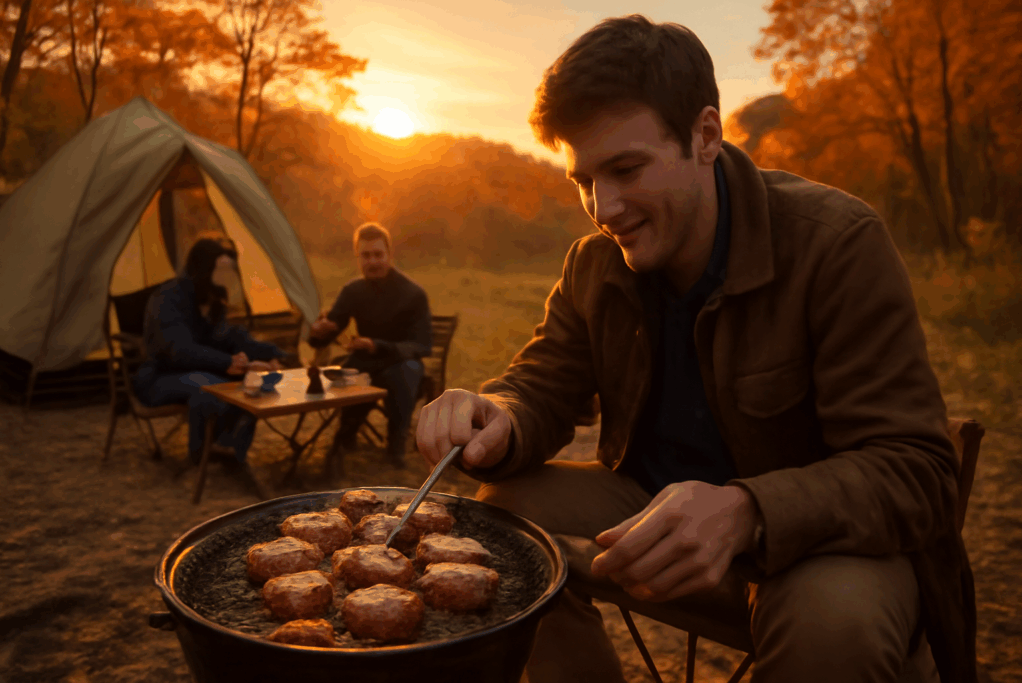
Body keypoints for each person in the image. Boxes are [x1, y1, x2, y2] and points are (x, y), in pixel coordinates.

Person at [415, 15, 975, 683]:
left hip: (821, 543)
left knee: (836, 630)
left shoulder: (836, 242)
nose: (604, 207)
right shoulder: (595, 264)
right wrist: (497, 413)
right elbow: (542, 382)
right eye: (584, 180)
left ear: (706, 135)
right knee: (497, 520)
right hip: (647, 506)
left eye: (626, 168)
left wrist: (747, 510)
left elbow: (918, 471)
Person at [133, 237, 285, 472]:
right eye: (221, 269)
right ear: (204, 269)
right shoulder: (168, 298)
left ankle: (230, 449)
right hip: (160, 376)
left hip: (201, 371)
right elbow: (178, 350)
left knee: (251, 384)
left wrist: (278, 356)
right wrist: (226, 362)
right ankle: (203, 453)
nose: (228, 276)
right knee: (212, 387)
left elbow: (234, 338)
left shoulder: (212, 300)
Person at [308, 222, 431, 464]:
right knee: (349, 371)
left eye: (378, 254)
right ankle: (346, 435)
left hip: (401, 361)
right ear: (358, 257)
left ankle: (396, 444)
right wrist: (320, 332)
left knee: (403, 373)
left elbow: (422, 345)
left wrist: (377, 345)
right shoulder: (353, 290)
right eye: (366, 255)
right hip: (366, 361)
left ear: (389, 255)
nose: (372, 261)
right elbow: (330, 329)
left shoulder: (412, 293)